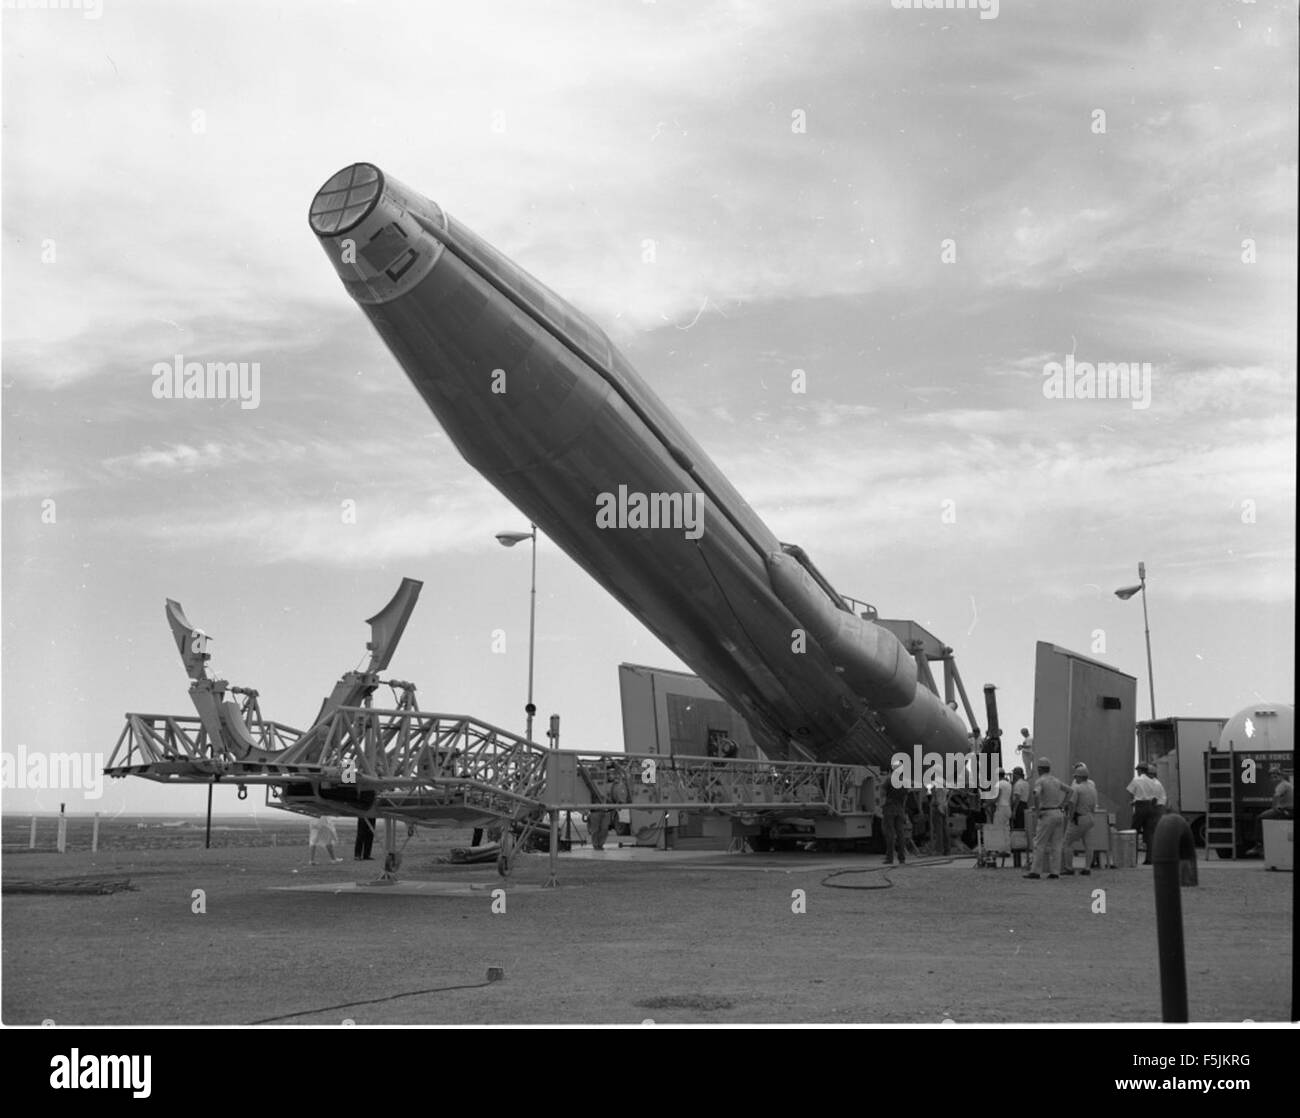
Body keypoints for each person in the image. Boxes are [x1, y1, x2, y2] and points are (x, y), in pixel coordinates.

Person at [1024, 758, 1068, 879]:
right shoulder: (1056, 780)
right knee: (1056, 845)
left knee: (1039, 843)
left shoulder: (1040, 781)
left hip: (1047, 814)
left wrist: (1038, 810)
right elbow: (1070, 791)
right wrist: (1063, 804)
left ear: (1039, 769)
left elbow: (1036, 794)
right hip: (1058, 813)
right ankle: (1055, 872)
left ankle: (1035, 871)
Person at [1060, 764, 1099, 875]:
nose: (1075, 778)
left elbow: (1072, 804)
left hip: (1079, 818)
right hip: (1090, 818)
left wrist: (1070, 818)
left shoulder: (1077, 788)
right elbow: (1094, 805)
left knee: (1067, 843)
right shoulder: (1093, 788)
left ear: (1080, 777)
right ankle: (1087, 868)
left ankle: (1068, 868)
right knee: (1088, 844)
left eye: (1076, 776)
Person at [1247, 768, 1294, 856]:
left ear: (1280, 776)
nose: (1274, 778)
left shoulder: (1282, 785)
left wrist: (1274, 808)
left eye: (1275, 776)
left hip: (1287, 811)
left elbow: (1276, 796)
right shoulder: (1288, 784)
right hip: (1288, 810)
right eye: (1272, 777)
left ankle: (1259, 845)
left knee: (1260, 818)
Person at [1126, 763, 1158, 865]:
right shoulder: (1153, 781)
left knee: (1133, 832)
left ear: (1140, 770)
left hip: (1140, 806)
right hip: (1151, 807)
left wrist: (1133, 800)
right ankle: (1149, 859)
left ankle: (1132, 859)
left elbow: (1130, 792)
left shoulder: (1137, 780)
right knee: (1149, 834)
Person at [882, 761, 911, 865]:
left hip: (889, 809)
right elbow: (906, 797)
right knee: (901, 834)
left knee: (890, 834)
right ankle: (902, 859)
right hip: (900, 809)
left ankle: (890, 858)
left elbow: (882, 794)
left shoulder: (889, 780)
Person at [1010, 766, 1029, 868]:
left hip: (1019, 806)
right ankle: (1022, 846)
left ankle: (1017, 847)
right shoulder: (1026, 783)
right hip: (1025, 805)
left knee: (1017, 827)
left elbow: (1017, 798)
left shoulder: (1018, 784)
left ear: (1016, 775)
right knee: (1023, 827)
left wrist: (1014, 810)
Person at [928, 780, 950, 855]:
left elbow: (933, 792)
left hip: (937, 807)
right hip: (944, 806)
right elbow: (948, 792)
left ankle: (939, 850)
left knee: (939, 830)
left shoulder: (936, 782)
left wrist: (936, 802)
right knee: (944, 829)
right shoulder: (944, 782)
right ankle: (947, 850)